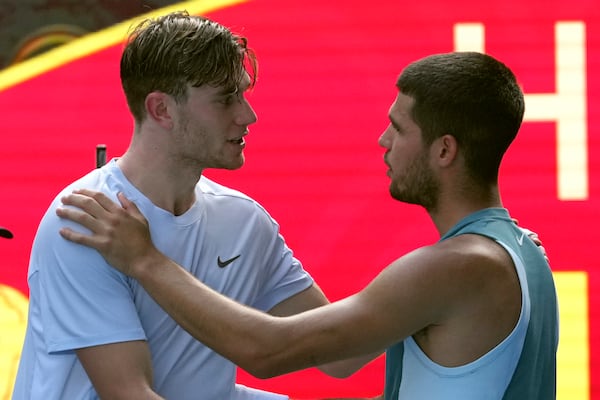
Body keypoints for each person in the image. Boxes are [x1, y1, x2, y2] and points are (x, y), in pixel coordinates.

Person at [56, 51, 558, 399]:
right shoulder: (524, 250)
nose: (383, 141)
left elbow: (268, 351)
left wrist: (144, 259)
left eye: (399, 128)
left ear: (444, 150)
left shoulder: (453, 268)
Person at [12, 11, 375, 400]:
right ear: (161, 110)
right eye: (225, 100)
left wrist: (427, 295)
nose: (247, 116)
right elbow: (131, 394)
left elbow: (338, 355)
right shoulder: (86, 220)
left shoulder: (245, 222)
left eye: (243, 95)